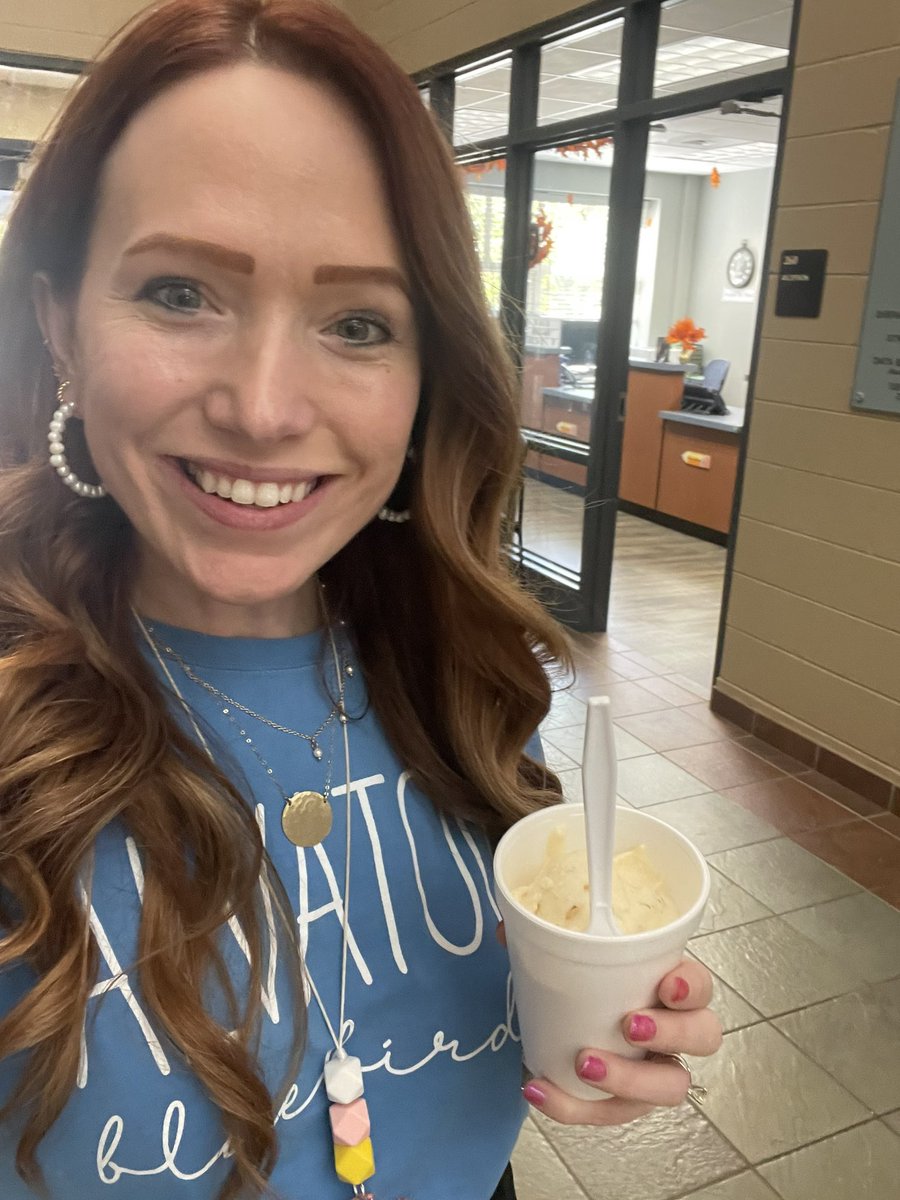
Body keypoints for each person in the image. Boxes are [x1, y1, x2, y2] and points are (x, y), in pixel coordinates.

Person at [0, 2, 722, 1198]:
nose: (268, 406)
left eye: (356, 323)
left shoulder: (462, 674)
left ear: (425, 376)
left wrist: (605, 1026)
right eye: (180, 292)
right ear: (57, 323)